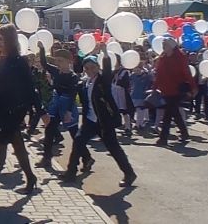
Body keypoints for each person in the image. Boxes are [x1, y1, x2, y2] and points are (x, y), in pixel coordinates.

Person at [0, 24, 40, 205]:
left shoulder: (18, 61)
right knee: (17, 145)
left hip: (14, 111)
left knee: (0, 149)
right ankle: (31, 177)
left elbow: (30, 87)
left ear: (11, 41)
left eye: (2, 39)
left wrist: (40, 112)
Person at [59, 44, 137, 187]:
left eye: (93, 67)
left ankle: (129, 173)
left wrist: (105, 52)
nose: (90, 70)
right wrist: (69, 111)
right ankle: (71, 172)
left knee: (113, 148)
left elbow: (107, 69)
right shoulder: (84, 83)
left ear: (97, 67)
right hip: (90, 121)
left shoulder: (103, 80)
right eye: (87, 68)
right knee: (78, 142)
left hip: (104, 121)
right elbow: (73, 96)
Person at [36, 42, 93, 172]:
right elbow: (45, 64)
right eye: (56, 61)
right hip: (56, 104)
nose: (58, 63)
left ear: (68, 61)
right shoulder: (56, 71)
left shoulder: (73, 77)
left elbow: (72, 94)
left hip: (67, 106)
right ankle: (46, 157)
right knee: (50, 130)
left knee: (75, 135)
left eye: (60, 61)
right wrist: (42, 49)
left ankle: (87, 158)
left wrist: (67, 112)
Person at [152, 38, 197, 146]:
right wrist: (154, 88)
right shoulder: (162, 58)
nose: (163, 47)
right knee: (175, 113)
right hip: (165, 89)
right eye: (163, 45)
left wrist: (193, 87)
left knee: (168, 114)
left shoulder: (180, 57)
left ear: (171, 46)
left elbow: (187, 73)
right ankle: (184, 133)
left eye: (165, 45)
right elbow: (158, 74)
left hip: (176, 89)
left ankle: (163, 138)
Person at [111, 56, 133, 137]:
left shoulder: (124, 71)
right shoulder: (112, 71)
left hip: (121, 93)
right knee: (113, 110)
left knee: (124, 111)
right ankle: (113, 126)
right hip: (113, 92)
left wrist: (119, 80)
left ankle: (127, 127)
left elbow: (126, 83)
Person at [129, 60, 152, 132]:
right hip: (133, 95)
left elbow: (149, 83)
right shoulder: (132, 76)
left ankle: (139, 124)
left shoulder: (145, 76)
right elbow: (129, 84)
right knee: (135, 110)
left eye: (138, 68)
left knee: (140, 110)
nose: (136, 70)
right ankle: (137, 123)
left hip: (142, 96)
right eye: (135, 68)